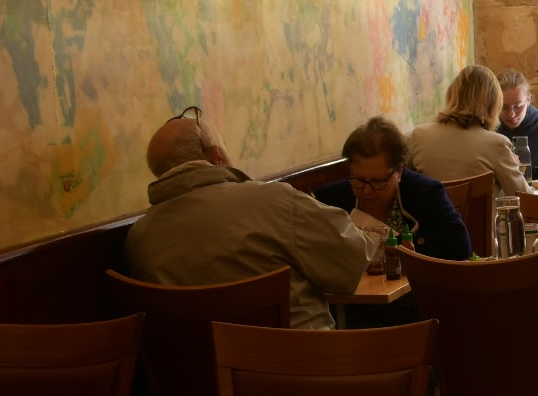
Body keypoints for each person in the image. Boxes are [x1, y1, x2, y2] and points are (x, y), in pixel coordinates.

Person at [125, 106, 373, 331]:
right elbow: (354, 257)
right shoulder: (273, 201)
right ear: (216, 156)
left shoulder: (139, 238)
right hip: (297, 361)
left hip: (195, 366)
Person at [315, 116, 471, 262]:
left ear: (399, 172)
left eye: (377, 181)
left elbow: (460, 245)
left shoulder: (425, 192)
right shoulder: (328, 200)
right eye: (359, 179)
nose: (367, 190)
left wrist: (399, 246)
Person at [408, 65, 531, 198]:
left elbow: (401, 185)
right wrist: (515, 166)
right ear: (494, 103)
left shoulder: (418, 136)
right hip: (479, 213)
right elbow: (526, 199)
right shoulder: (497, 144)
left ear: (452, 94)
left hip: (432, 212)